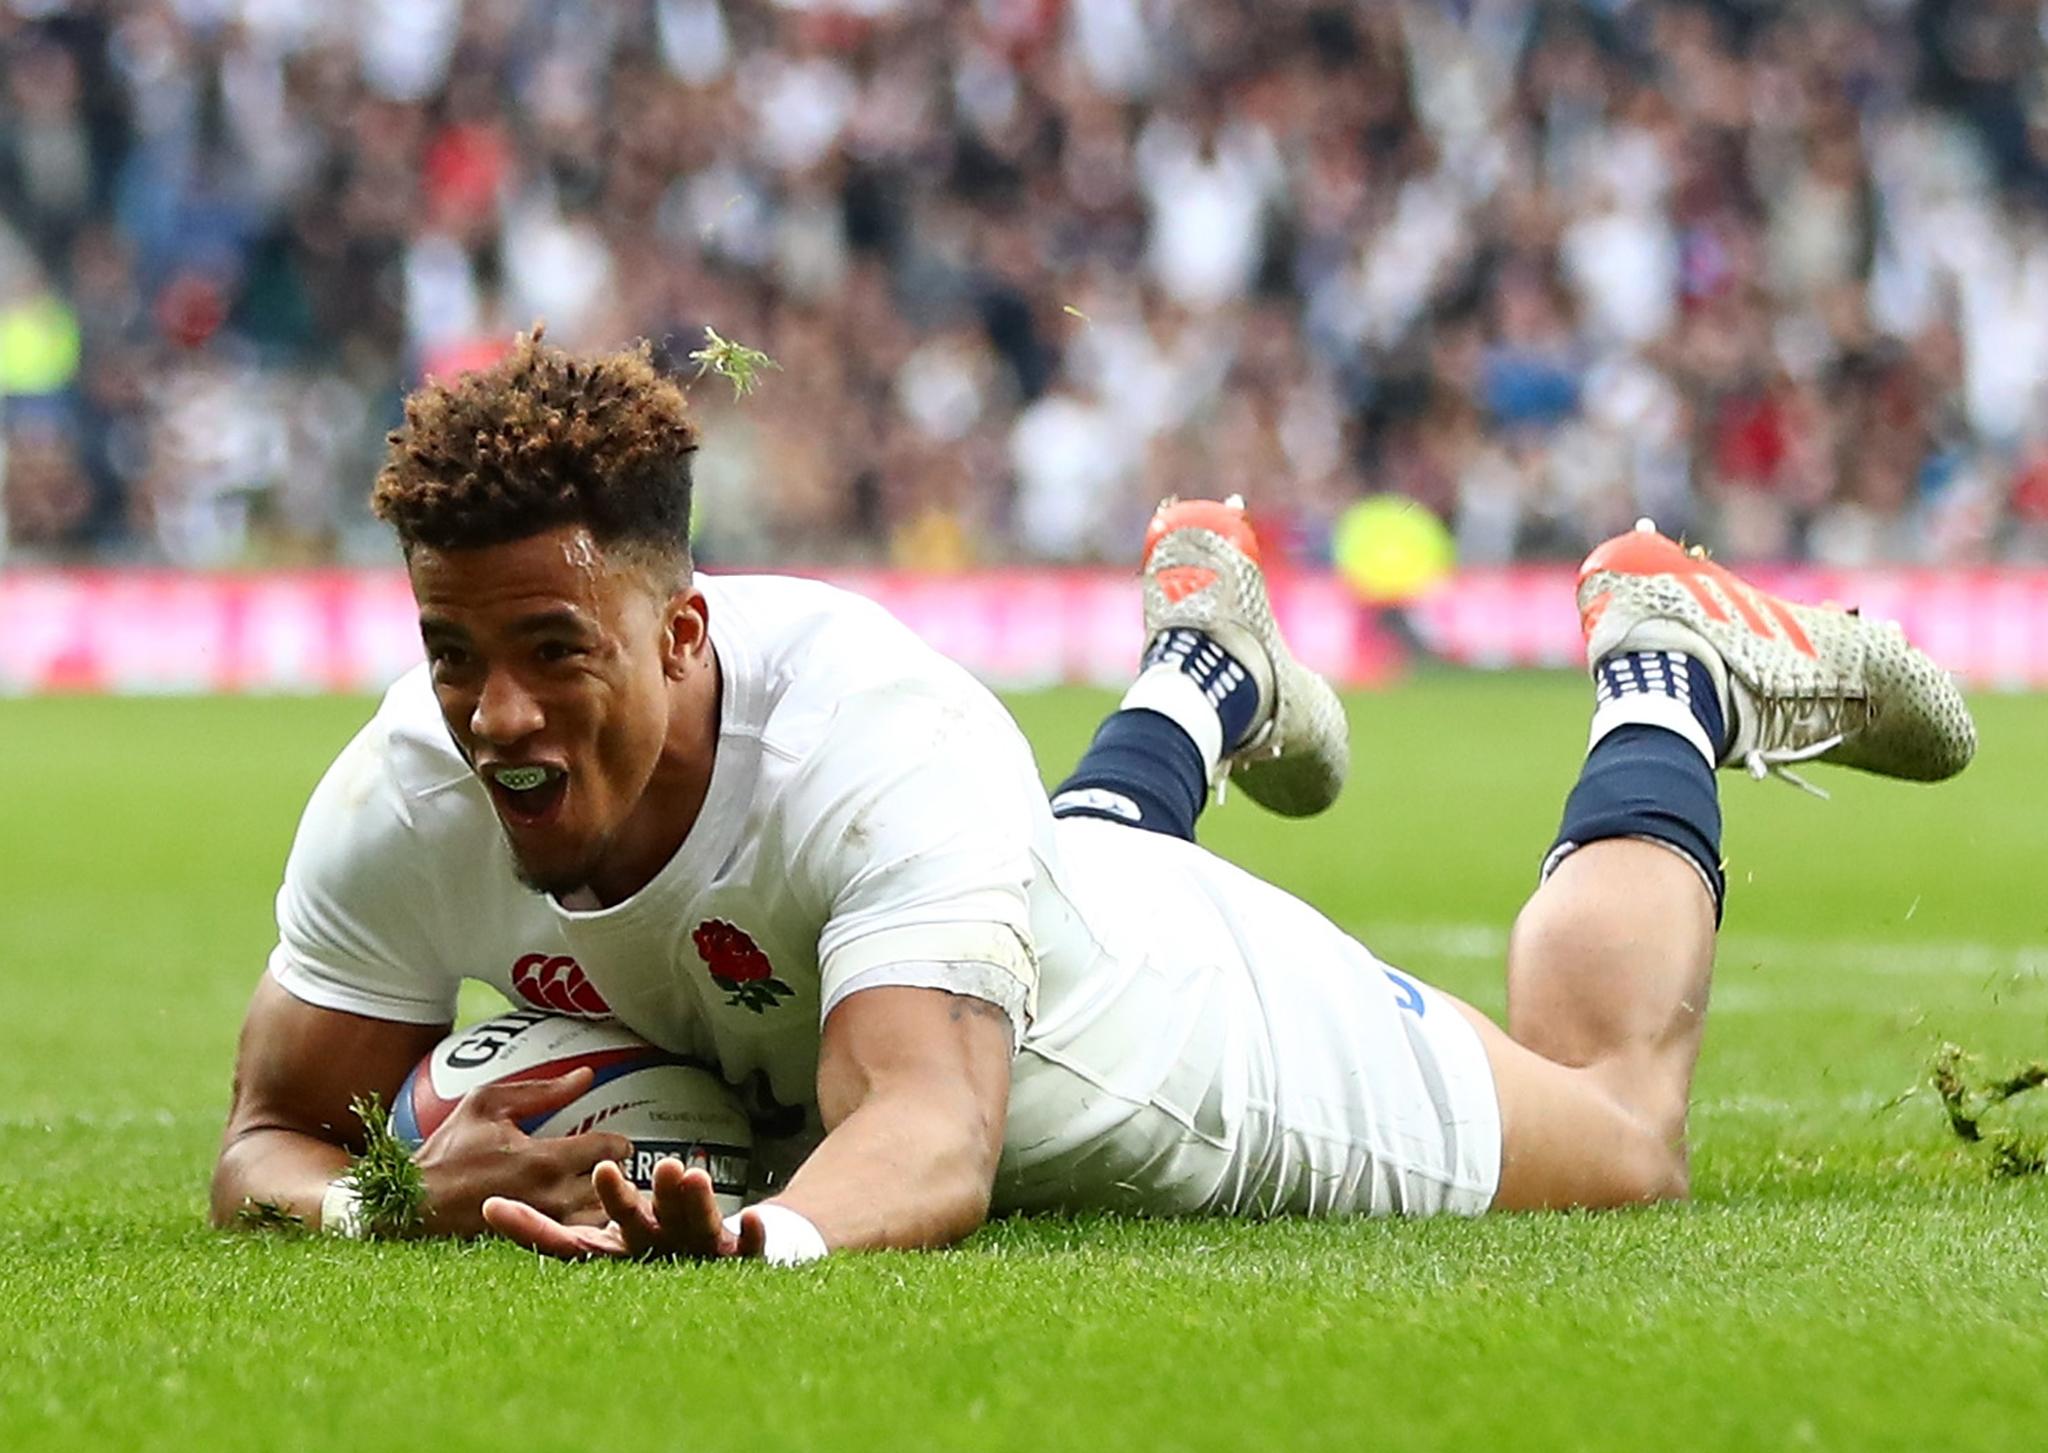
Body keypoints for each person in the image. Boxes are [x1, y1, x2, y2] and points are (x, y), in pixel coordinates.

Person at [210, 335, 1977, 1263]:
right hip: (1009, 897)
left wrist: (757, 1241)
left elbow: (933, 1134)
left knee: (1621, 1129)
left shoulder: (872, 739)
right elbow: (265, 1142)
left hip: (1167, 1034)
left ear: (681, 632)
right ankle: (1205, 667)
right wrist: (384, 1201)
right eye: (452, 652)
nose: (496, 715)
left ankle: (1664, 670)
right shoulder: (403, 788)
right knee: (1016, 873)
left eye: (553, 650)